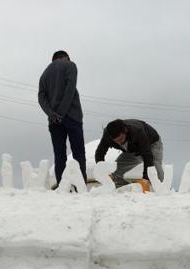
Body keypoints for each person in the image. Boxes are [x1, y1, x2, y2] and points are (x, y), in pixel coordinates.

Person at [38, 50, 87, 185]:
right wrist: (62, 112)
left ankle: (62, 186)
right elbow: (70, 89)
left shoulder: (44, 75)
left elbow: (41, 98)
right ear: (66, 57)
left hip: (54, 121)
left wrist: (52, 114)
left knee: (59, 155)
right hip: (72, 116)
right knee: (78, 153)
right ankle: (80, 185)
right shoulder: (70, 65)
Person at [95, 119, 163, 187]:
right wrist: (102, 171)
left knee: (154, 168)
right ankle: (118, 182)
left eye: (120, 139)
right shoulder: (107, 136)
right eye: (116, 141)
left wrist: (145, 179)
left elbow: (147, 156)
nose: (119, 143)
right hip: (132, 148)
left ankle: (160, 188)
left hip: (151, 142)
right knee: (114, 169)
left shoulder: (138, 131)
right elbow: (99, 153)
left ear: (125, 131)